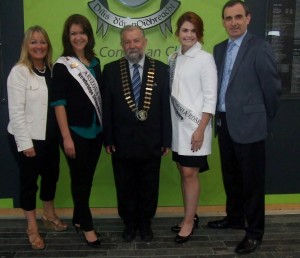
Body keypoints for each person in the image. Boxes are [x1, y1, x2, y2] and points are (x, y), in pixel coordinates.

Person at [206, 0, 281, 255]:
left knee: (252, 183)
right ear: (223, 22)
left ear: (248, 18)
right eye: (228, 18)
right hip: (224, 122)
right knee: (232, 177)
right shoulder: (218, 49)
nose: (234, 22)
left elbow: (272, 89)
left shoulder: (260, 48)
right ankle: (235, 218)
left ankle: (255, 232)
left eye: (238, 17)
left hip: (250, 125)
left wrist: (263, 119)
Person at [102, 25, 171, 242]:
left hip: (152, 139)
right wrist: (109, 138)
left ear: (145, 42)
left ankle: (145, 222)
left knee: (149, 184)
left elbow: (164, 108)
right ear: (122, 45)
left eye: (136, 41)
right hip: (121, 141)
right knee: (125, 185)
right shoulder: (111, 70)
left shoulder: (160, 69)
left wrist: (167, 139)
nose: (132, 45)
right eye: (127, 42)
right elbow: (107, 107)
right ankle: (129, 223)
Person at [7, 25, 68, 250]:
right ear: (26, 46)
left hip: (51, 138)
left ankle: (48, 215)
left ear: (48, 46)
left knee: (51, 177)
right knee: (29, 184)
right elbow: (16, 112)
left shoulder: (52, 70)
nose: (39, 46)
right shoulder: (19, 71)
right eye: (34, 42)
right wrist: (26, 144)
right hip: (28, 139)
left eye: (42, 42)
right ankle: (32, 227)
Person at [51, 14, 102, 248]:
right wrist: (66, 137)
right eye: (74, 33)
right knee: (80, 180)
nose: (78, 37)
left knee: (86, 179)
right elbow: (58, 103)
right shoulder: (62, 65)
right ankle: (88, 226)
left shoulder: (95, 62)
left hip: (96, 131)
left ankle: (78, 218)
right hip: (74, 132)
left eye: (82, 32)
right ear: (67, 37)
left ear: (88, 36)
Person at [168, 12, 217, 244]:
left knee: (190, 174)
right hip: (178, 129)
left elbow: (210, 98)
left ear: (199, 34)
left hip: (196, 128)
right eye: (185, 30)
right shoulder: (173, 57)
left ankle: (188, 222)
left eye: (193, 31)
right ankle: (189, 215)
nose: (188, 35)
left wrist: (200, 129)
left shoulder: (205, 59)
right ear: (178, 32)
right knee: (183, 171)